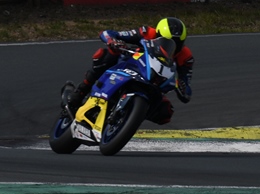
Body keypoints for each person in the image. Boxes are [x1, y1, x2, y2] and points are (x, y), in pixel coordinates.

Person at [64, 16, 194, 125]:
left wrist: (182, 87)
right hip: (133, 65)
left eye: (177, 43)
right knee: (105, 55)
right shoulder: (147, 32)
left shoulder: (186, 57)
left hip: (154, 82)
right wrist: (113, 41)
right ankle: (80, 92)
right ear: (158, 34)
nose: (172, 46)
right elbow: (108, 33)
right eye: (167, 41)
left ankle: (128, 119)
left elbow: (186, 88)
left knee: (166, 112)